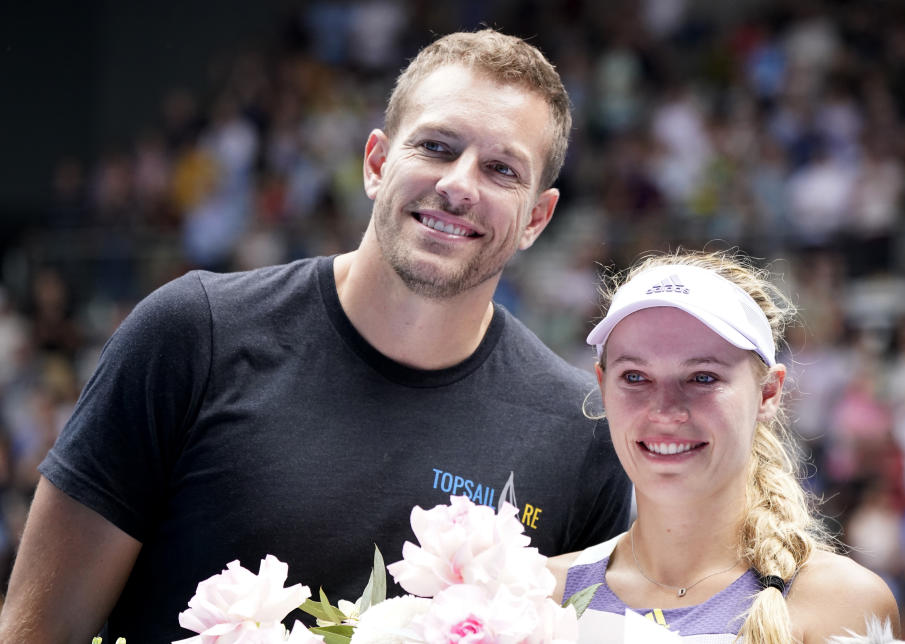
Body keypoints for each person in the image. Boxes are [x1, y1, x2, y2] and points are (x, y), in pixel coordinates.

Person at [0, 30, 632, 643]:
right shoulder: (194, 336)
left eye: (501, 169)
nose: (460, 185)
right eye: (437, 147)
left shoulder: (580, 435)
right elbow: (36, 630)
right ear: (378, 163)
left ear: (537, 218)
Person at [549, 250, 900, 643]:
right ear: (602, 386)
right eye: (635, 376)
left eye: (702, 377)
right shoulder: (539, 594)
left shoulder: (842, 604)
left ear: (768, 392)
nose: (665, 410)